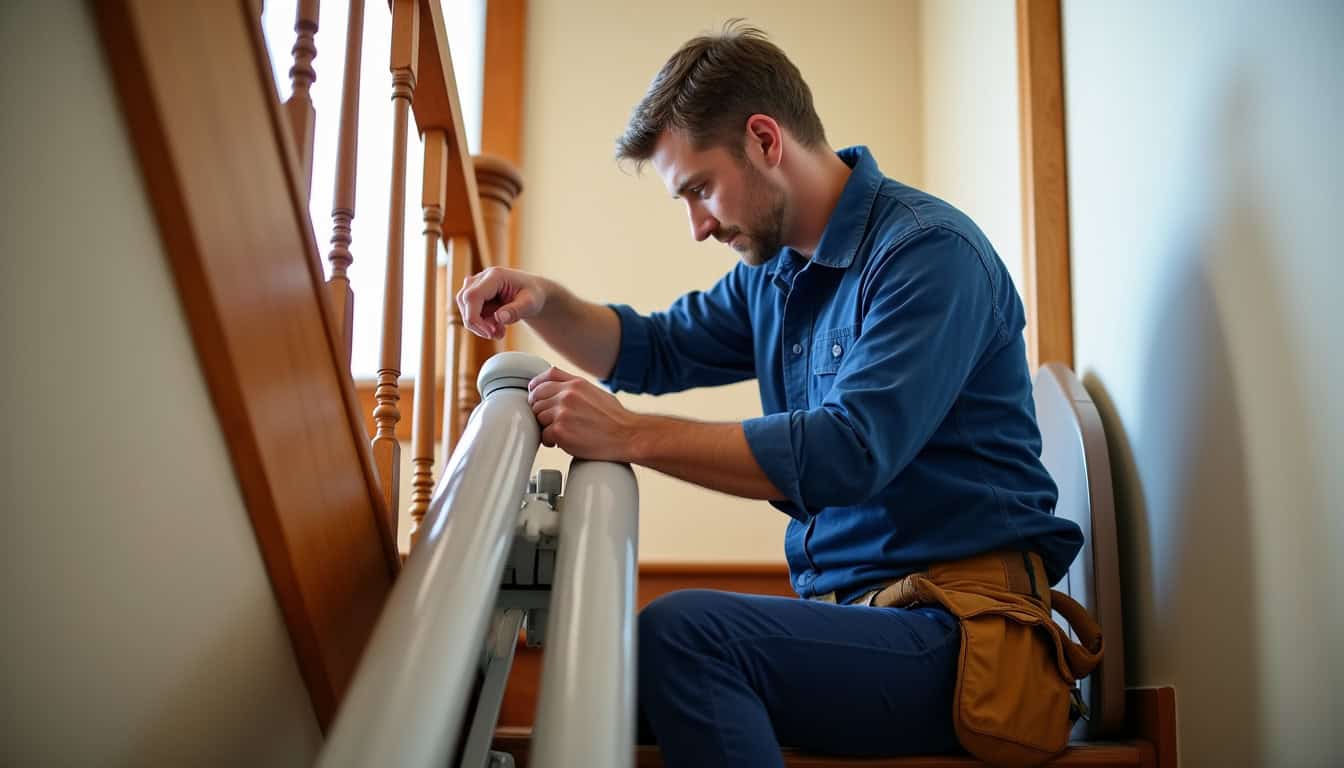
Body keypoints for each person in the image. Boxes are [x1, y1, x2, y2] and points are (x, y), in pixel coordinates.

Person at [456, 21, 1084, 767]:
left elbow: (847, 452)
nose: (696, 226)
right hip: (864, 625)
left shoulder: (927, 253)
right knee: (614, 681)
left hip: (967, 641)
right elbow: (653, 349)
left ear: (764, 139)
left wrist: (628, 436)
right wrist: (544, 300)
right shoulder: (775, 274)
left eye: (699, 189)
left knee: (683, 636)